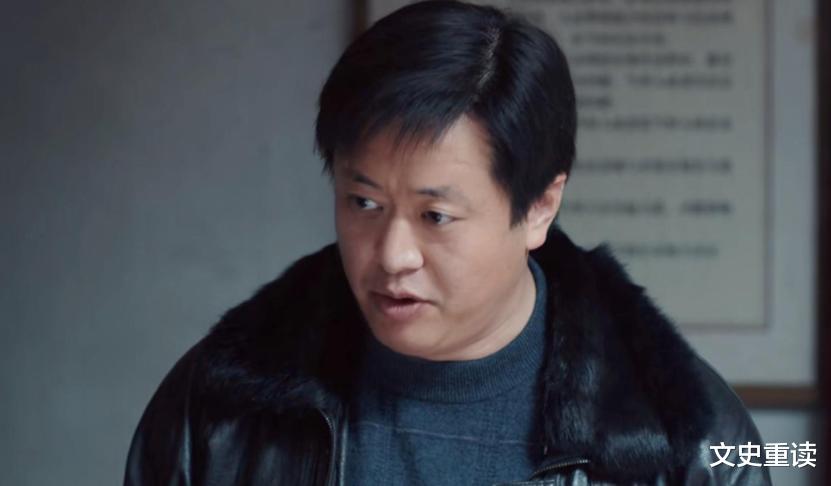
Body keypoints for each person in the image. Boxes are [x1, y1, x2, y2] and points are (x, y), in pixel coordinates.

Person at [124, 1, 771, 484]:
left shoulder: (685, 436)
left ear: (539, 207)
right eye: (364, 203)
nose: (391, 256)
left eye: (435, 216)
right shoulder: (221, 404)